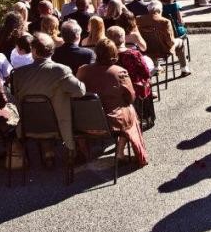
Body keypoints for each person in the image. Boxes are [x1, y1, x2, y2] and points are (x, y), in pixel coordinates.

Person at [11, 33, 86, 157]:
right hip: (57, 125)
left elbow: (15, 97)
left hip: (27, 125)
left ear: (33, 51)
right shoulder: (60, 70)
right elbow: (80, 91)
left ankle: (48, 153)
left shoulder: (18, 73)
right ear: (52, 51)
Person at [76, 38, 148, 166]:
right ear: (114, 53)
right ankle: (119, 153)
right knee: (130, 111)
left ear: (96, 53)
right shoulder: (119, 72)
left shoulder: (82, 70)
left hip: (84, 121)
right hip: (111, 122)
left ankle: (83, 151)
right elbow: (131, 97)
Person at [107, 26, 155, 128]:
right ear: (123, 38)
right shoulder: (133, 54)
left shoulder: (106, 56)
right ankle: (146, 117)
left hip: (114, 88)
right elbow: (146, 72)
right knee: (147, 81)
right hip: (134, 88)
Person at [137, 0, 191, 76]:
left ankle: (157, 67)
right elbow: (170, 42)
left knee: (151, 43)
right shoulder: (165, 21)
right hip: (164, 50)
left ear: (148, 9)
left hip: (147, 49)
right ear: (160, 10)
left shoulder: (139, 19)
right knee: (180, 42)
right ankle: (184, 69)